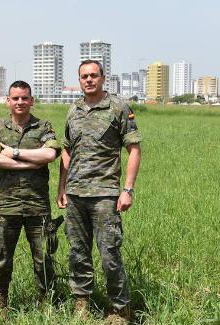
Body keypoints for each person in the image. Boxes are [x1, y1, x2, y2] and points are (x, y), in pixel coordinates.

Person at [57, 60, 142, 323]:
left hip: (105, 194)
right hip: (75, 195)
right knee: (77, 252)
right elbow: (67, 149)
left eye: (94, 75)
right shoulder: (74, 110)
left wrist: (127, 190)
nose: (89, 80)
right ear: (79, 80)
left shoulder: (118, 107)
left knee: (109, 254)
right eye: (84, 76)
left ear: (103, 78)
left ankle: (119, 308)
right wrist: (62, 186)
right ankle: (81, 301)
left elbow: (134, 149)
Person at [0, 80, 60, 309]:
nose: (20, 102)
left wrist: (14, 153)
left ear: (31, 101)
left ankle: (46, 303)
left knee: (44, 258)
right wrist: (29, 163)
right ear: (8, 101)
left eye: (24, 98)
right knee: (3, 258)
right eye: (15, 98)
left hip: (38, 205)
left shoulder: (43, 127)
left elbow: (49, 155)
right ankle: (1, 303)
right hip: (7, 205)